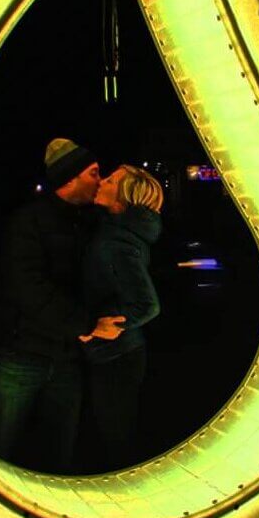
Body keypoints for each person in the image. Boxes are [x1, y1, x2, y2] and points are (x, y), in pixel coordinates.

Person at [0, 138, 125, 472]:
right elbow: (29, 289)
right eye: (93, 173)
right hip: (20, 356)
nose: (99, 179)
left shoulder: (90, 223)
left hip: (66, 358)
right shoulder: (28, 223)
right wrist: (88, 325)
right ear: (70, 178)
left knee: (59, 455)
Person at [80, 164, 164, 470]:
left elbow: (147, 304)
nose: (102, 181)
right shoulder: (118, 230)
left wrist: (103, 326)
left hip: (117, 356)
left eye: (111, 180)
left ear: (123, 196)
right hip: (115, 354)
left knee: (115, 440)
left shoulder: (119, 241)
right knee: (113, 433)